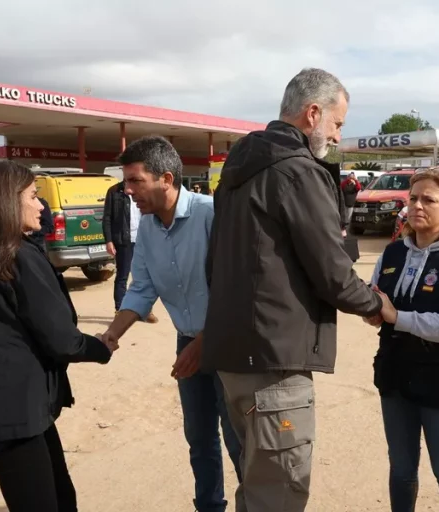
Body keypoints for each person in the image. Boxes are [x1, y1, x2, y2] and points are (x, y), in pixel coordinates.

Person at [201, 68, 383, 511]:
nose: (338, 136)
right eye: (337, 123)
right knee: (280, 491)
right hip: (274, 362)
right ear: (313, 113)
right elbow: (332, 270)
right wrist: (376, 303)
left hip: (238, 356)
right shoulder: (299, 171)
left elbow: (218, 260)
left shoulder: (238, 167)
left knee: (256, 484)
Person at [0, 160, 117, 512]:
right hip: (17, 418)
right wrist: (100, 348)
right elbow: (61, 338)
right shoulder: (18, 257)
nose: (41, 206)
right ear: (6, 202)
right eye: (33, 196)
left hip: (5, 413)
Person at [100, 136, 241, 511]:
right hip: (188, 345)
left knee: (239, 439)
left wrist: (203, 344)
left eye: (134, 181)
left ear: (165, 178)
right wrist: (111, 335)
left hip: (228, 347)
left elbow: (242, 291)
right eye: (125, 182)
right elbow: (142, 288)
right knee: (199, 438)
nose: (127, 191)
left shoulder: (213, 215)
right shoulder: (147, 227)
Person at [366, 167, 439, 512]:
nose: (417, 205)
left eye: (428, 200)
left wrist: (396, 317)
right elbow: (379, 305)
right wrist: (372, 313)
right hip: (395, 375)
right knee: (401, 470)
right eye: (413, 198)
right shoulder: (392, 254)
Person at [102, 179, 158, 322]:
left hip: (143, 239)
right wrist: (109, 240)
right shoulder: (114, 191)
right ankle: (120, 310)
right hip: (123, 240)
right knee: (123, 276)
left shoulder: (144, 189)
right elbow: (107, 217)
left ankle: (145, 310)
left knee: (145, 276)